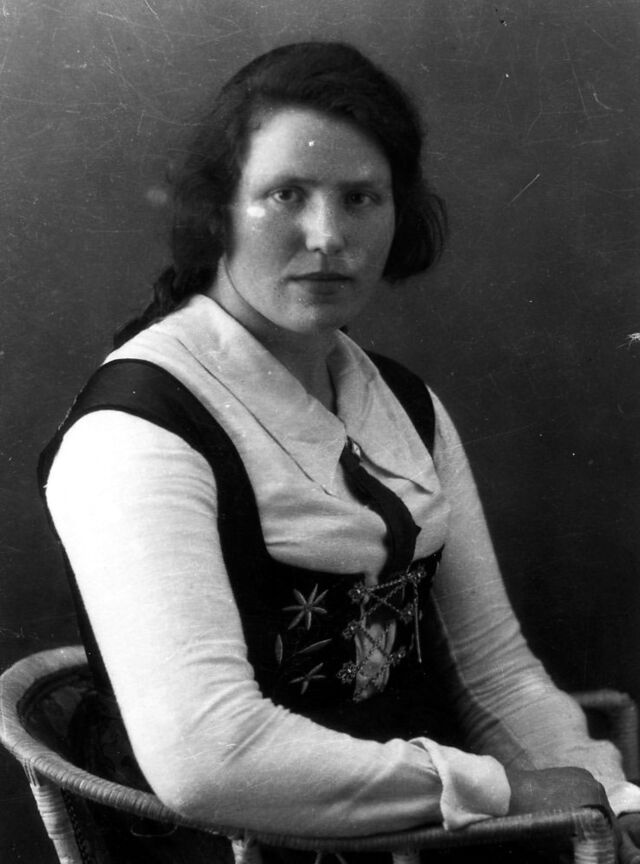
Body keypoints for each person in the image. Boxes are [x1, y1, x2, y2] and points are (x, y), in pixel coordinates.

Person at [41, 41, 640, 863]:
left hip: (428, 834)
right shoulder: (137, 430)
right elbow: (209, 758)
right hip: (235, 844)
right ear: (218, 210)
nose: (328, 236)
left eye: (360, 198)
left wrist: (608, 794)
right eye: (285, 194)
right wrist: (500, 792)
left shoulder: (403, 405)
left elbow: (495, 672)